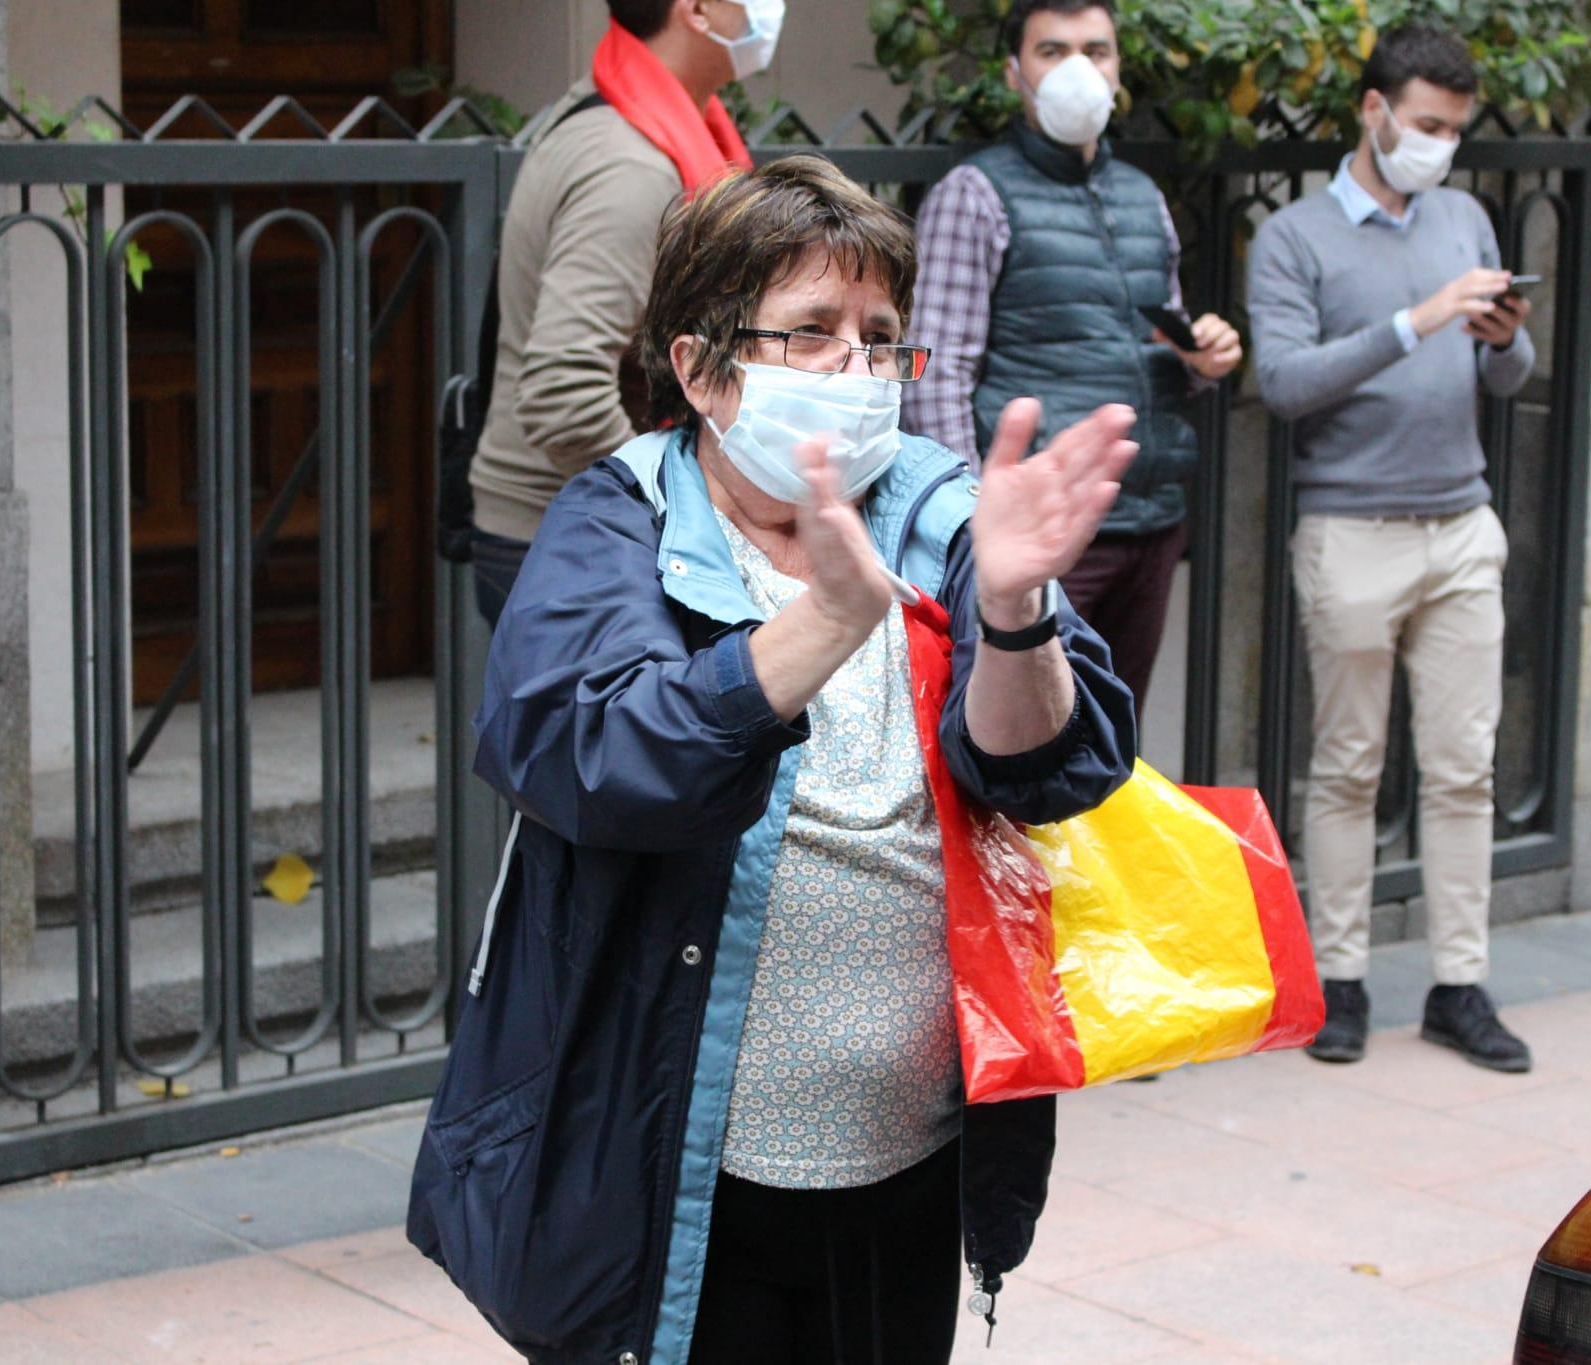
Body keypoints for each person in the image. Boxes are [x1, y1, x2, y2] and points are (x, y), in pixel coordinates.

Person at [408, 155, 1140, 1365]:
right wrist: (819, 625)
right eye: (811, 332)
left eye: (880, 334)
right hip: (680, 1169)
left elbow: (1050, 771)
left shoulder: (946, 508)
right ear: (698, 369)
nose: (858, 367)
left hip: (908, 1152)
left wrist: (1014, 614)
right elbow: (579, 751)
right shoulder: (620, 514)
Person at [1247, 24, 1537, 1073]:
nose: (1439, 145)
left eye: (1453, 130)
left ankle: (1460, 987)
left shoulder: (1461, 215)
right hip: (1350, 529)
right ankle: (1341, 983)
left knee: (1463, 769)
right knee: (1347, 769)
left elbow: (1504, 378)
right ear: (1371, 111)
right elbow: (1279, 384)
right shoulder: (1293, 238)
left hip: (1460, 523)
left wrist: (1504, 340)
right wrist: (1415, 322)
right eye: (1423, 124)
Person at [904, 0, 1243, 719]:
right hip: (1043, 535)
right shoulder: (976, 193)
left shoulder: (1141, 196)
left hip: (1148, 520)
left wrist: (1201, 357)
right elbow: (936, 378)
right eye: (1053, 51)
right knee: (1027, 740)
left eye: (1097, 50)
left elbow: (1159, 349)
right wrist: (973, 530)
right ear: (1014, 72)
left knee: (1112, 745)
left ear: (1119, 69)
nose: (1078, 70)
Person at [465, 0, 784, 626]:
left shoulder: (632, 117)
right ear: (695, 11)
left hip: (578, 532)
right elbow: (562, 392)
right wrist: (681, 519)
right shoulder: (632, 165)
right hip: (572, 542)